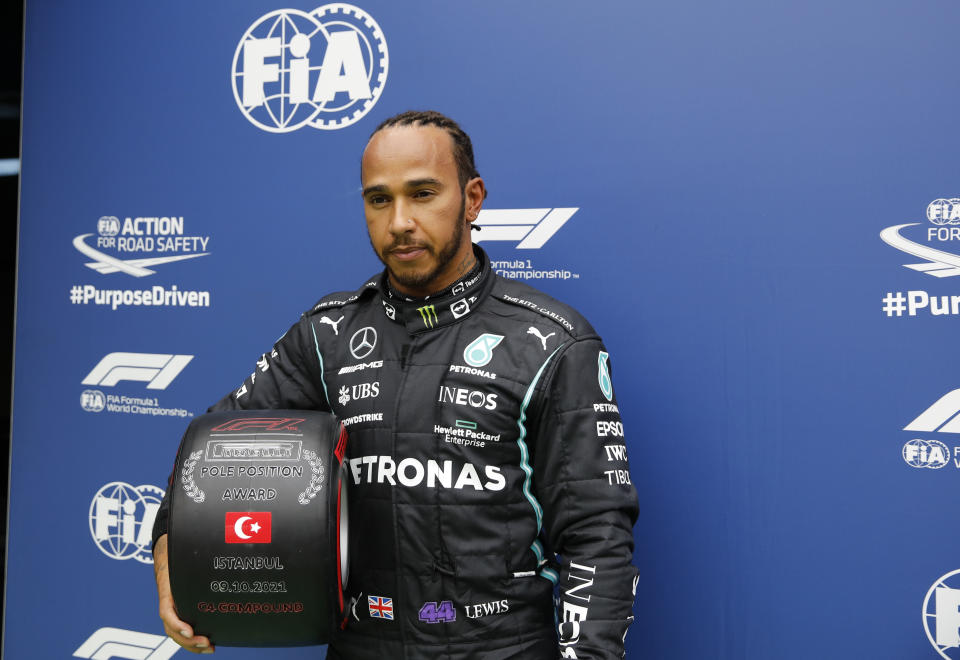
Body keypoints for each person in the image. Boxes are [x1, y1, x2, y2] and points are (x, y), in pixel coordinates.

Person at [152, 110, 639, 658]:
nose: (399, 221)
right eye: (379, 199)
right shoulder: (328, 336)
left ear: (472, 199)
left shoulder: (552, 342)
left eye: (423, 193)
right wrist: (169, 544)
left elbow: (595, 534)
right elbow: (211, 450)